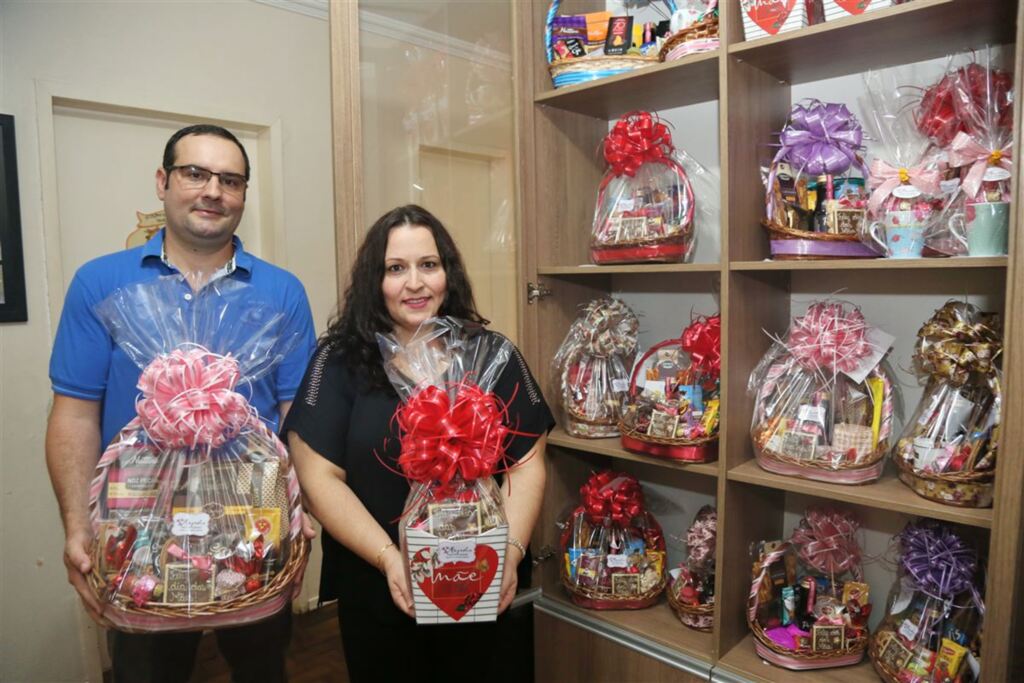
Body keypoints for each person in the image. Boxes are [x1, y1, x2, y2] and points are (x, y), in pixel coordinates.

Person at [45, 124, 317, 682]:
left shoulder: (282, 291)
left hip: (254, 522)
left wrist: (303, 511)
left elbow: (297, 417)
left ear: (243, 194)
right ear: (163, 182)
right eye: (195, 173)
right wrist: (78, 527)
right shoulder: (101, 285)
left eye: (231, 179)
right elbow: (74, 416)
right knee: (147, 674)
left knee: (263, 668)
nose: (213, 190)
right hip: (136, 530)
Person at [283, 205, 554, 682]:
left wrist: (508, 553)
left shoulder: (493, 353)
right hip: (380, 585)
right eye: (396, 268)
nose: (415, 283)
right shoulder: (340, 359)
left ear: (448, 272)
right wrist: (391, 559)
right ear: (374, 279)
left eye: (429, 265)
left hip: (483, 579)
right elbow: (317, 475)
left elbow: (527, 464)